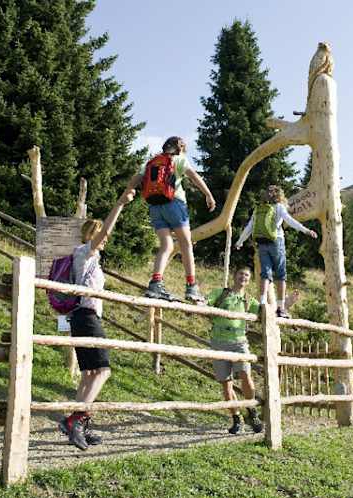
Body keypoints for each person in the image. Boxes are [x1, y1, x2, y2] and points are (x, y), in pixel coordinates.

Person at [59, 190, 133, 450]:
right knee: (103, 371)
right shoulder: (84, 252)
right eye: (102, 235)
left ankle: (79, 422)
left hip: (81, 317)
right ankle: (76, 420)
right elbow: (106, 230)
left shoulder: (87, 258)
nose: (106, 239)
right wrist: (120, 204)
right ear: (92, 235)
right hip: (87, 317)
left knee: (89, 373)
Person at [207, 267, 300, 434]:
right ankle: (236, 418)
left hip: (239, 342)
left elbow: (267, 312)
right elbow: (206, 302)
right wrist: (198, 302)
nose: (243, 277)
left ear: (249, 280)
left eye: (246, 275)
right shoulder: (221, 293)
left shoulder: (248, 300)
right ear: (234, 276)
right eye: (240, 274)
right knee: (226, 384)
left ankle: (251, 411)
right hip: (218, 341)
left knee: (246, 375)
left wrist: (286, 304)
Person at [125, 136, 216, 303]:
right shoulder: (179, 159)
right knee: (186, 244)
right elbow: (194, 177)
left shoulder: (152, 161)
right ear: (180, 148)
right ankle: (191, 287)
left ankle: (155, 284)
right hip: (174, 204)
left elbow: (136, 178)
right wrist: (208, 195)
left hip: (154, 206)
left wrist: (129, 190)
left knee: (166, 246)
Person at [235, 185, 317, 318]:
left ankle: (262, 303)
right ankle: (280, 308)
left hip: (262, 243)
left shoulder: (258, 209)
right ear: (279, 195)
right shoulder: (279, 207)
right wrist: (306, 230)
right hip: (276, 242)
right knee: (280, 275)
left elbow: (249, 227)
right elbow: (289, 220)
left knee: (265, 274)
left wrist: (240, 241)